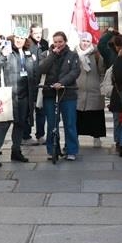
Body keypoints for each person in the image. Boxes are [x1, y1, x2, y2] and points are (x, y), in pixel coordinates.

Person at [0, 27, 36, 167]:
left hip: (24, 95)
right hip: (8, 95)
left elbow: (33, 73)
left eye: (22, 38)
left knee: (20, 124)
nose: (19, 40)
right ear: (13, 37)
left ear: (25, 39)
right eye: (17, 37)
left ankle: (16, 151)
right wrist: (2, 55)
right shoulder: (6, 50)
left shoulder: (28, 53)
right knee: (4, 124)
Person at [38, 31, 81, 160]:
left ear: (65, 42)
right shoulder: (46, 54)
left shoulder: (72, 55)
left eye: (60, 42)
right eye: (55, 42)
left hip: (67, 93)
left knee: (70, 123)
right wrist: (52, 55)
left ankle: (71, 150)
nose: (58, 44)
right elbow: (41, 69)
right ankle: (52, 149)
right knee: (52, 123)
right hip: (50, 93)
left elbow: (75, 72)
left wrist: (62, 82)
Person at [75, 32, 107, 148]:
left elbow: (102, 72)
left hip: (94, 91)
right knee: (77, 117)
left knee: (96, 116)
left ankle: (97, 138)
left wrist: (101, 85)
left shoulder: (97, 54)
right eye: (83, 41)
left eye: (88, 41)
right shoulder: (74, 54)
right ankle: (75, 139)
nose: (85, 43)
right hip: (78, 91)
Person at [27, 23, 49, 145]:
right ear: (31, 33)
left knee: (41, 110)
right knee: (28, 111)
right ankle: (26, 135)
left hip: (42, 82)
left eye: (40, 33)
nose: (38, 35)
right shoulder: (27, 44)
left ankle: (40, 135)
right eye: (35, 33)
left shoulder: (45, 44)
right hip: (29, 82)